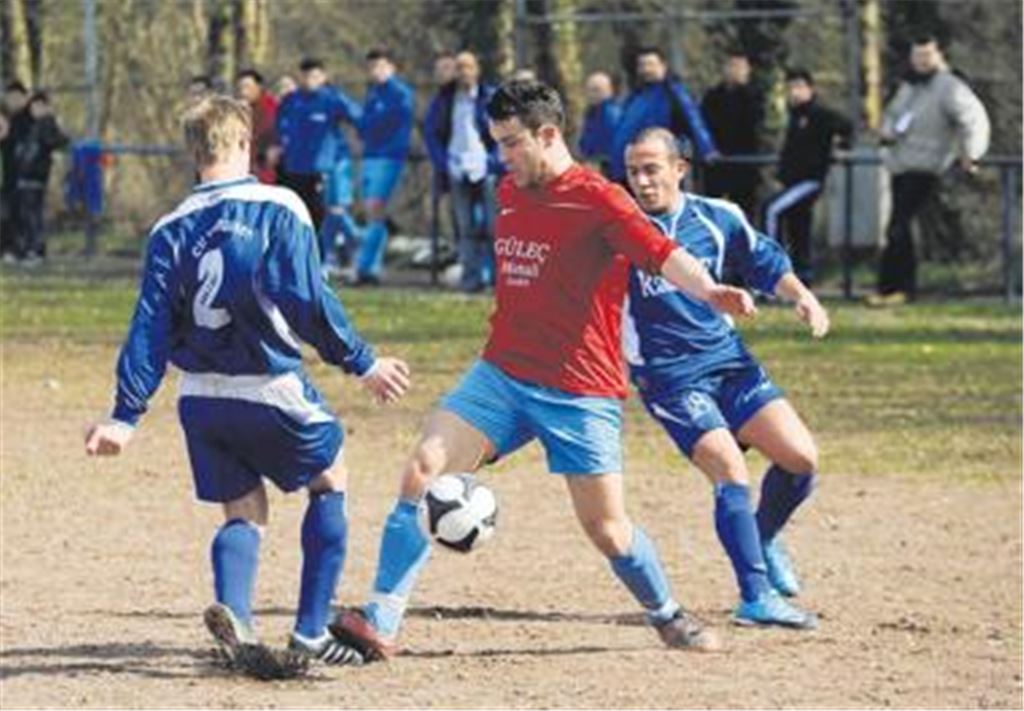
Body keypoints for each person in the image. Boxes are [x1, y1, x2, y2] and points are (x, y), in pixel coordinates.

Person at [329, 79, 757, 662]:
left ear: (548, 134)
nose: (501, 157)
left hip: (580, 392)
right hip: (501, 375)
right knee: (422, 470)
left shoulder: (601, 198)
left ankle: (667, 614)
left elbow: (660, 253)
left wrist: (709, 290)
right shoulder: (510, 190)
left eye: (510, 144)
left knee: (608, 530)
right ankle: (380, 619)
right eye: (497, 143)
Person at [83, 95, 411, 669]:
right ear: (244, 143)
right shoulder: (278, 205)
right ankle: (310, 633)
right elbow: (308, 301)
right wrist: (362, 362)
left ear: (193, 149)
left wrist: (125, 415)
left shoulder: (168, 229)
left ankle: (237, 611)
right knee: (331, 479)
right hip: (268, 387)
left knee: (243, 510)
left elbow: (150, 326)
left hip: (201, 398)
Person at [624, 127, 828, 629]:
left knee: (801, 459)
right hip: (668, 376)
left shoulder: (716, 216)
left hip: (727, 360)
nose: (642, 181)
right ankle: (756, 597)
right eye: (632, 171)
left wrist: (802, 295)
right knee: (729, 469)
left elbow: (764, 260)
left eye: (652, 168)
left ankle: (762, 536)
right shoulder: (618, 229)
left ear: (679, 168)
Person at [868, 33, 990, 307]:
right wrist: (886, 134)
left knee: (899, 226)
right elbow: (893, 118)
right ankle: (895, 289)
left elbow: (973, 120)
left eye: (927, 55)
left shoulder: (949, 87)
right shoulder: (908, 86)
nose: (921, 61)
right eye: (917, 56)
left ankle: (896, 288)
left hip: (927, 168)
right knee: (900, 228)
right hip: (900, 165)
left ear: (939, 56)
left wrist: (971, 153)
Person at [762, 68, 852, 285]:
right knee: (799, 226)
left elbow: (846, 125)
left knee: (771, 210)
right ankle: (802, 277)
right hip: (792, 181)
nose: (794, 92)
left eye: (799, 87)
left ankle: (770, 273)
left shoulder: (819, 113)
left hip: (809, 180)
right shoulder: (794, 115)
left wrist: (841, 144)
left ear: (810, 89)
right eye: (791, 88)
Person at [423, 50, 500, 293]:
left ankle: (497, 280)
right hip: (456, 167)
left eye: (468, 67)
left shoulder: (489, 97)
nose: (464, 72)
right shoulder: (445, 100)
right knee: (464, 227)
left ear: (476, 70)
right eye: (459, 68)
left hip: (485, 168)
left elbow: (504, 132)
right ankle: (471, 279)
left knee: (493, 225)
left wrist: (492, 160)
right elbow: (431, 133)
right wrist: (444, 163)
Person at [275, 58, 361, 246]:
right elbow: (280, 128)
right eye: (305, 76)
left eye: (315, 76)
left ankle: (354, 245)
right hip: (294, 170)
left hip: (323, 169)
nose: (309, 80)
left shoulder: (332, 99)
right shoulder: (291, 101)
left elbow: (359, 118)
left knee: (328, 214)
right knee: (297, 216)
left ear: (323, 77)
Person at [351, 48, 415, 285]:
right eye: (371, 67)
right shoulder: (373, 93)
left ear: (391, 67)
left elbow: (382, 123)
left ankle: (362, 266)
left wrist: (368, 123)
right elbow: (363, 125)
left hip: (389, 157)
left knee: (374, 207)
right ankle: (373, 270)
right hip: (370, 155)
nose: (375, 72)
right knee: (372, 214)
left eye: (379, 66)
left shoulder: (400, 93)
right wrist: (366, 124)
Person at [609, 47, 718, 184]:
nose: (646, 69)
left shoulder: (673, 93)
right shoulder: (634, 96)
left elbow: (693, 120)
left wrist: (707, 149)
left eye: (651, 64)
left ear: (663, 66)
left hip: (658, 168)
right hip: (630, 169)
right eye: (642, 65)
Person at [701, 50, 764, 217]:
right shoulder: (713, 96)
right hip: (718, 161)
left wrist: (743, 89)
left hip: (745, 162)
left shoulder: (753, 94)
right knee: (713, 209)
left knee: (745, 210)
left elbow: (755, 122)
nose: (735, 71)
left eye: (740, 67)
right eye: (732, 66)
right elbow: (705, 124)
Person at [12, 91, 69, 264]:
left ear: (44, 106)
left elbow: (57, 141)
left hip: (35, 177)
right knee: (28, 215)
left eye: (37, 107)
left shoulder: (47, 123)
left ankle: (36, 251)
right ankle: (31, 250)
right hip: (28, 176)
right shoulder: (36, 125)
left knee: (33, 216)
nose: (33, 110)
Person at [1, 81, 30, 261]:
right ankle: (7, 248)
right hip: (7, 177)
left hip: (20, 177)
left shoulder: (26, 121)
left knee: (16, 214)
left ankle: (17, 249)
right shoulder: (7, 120)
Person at [235, 69, 279, 185]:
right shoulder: (238, 109)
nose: (243, 92)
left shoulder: (270, 106)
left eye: (247, 87)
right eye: (240, 88)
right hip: (243, 170)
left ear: (259, 87)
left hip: (265, 170)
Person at [578, 71, 621, 175]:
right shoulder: (592, 113)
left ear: (609, 91)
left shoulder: (612, 115)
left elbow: (614, 147)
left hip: (606, 170)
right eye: (589, 90)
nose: (592, 94)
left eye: (597, 90)